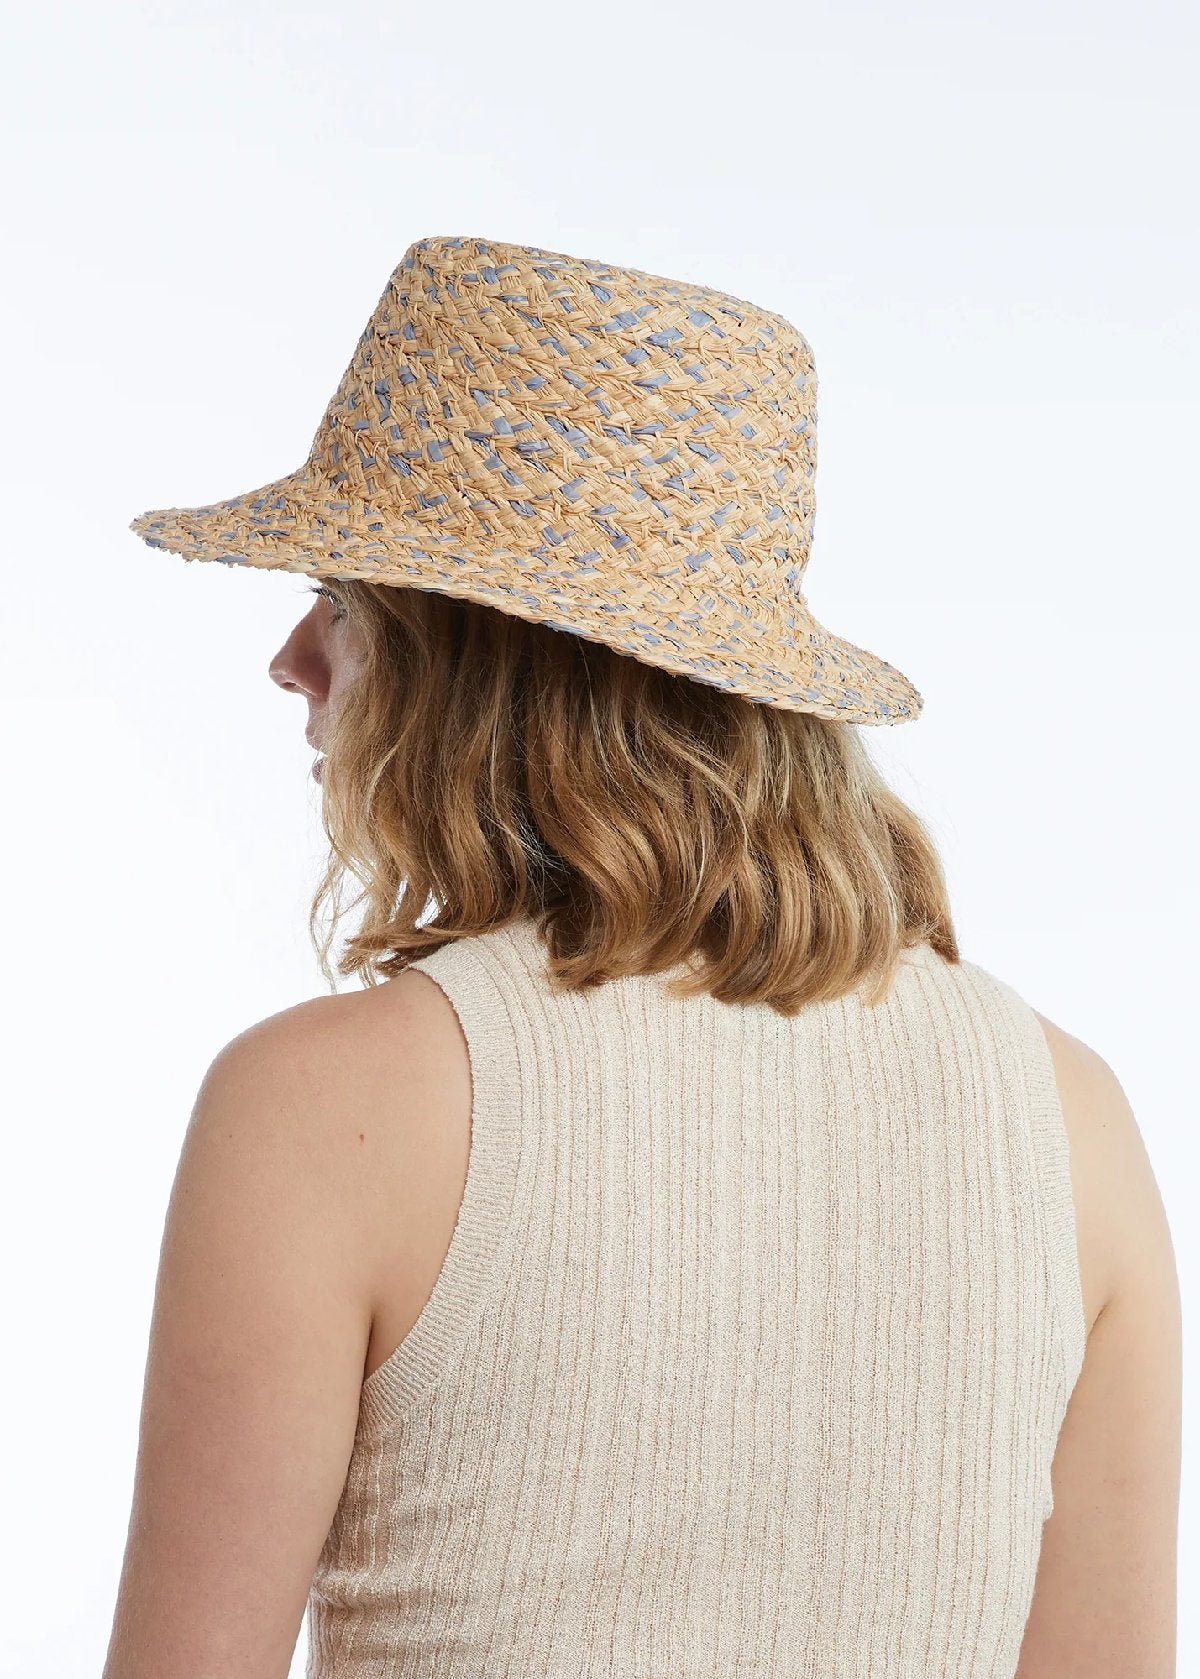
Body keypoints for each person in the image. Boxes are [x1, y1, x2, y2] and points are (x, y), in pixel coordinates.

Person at [103, 235, 1180, 1679]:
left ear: (483, 664)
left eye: (346, 601)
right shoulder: (1070, 1117)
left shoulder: (324, 1104)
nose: (293, 657)